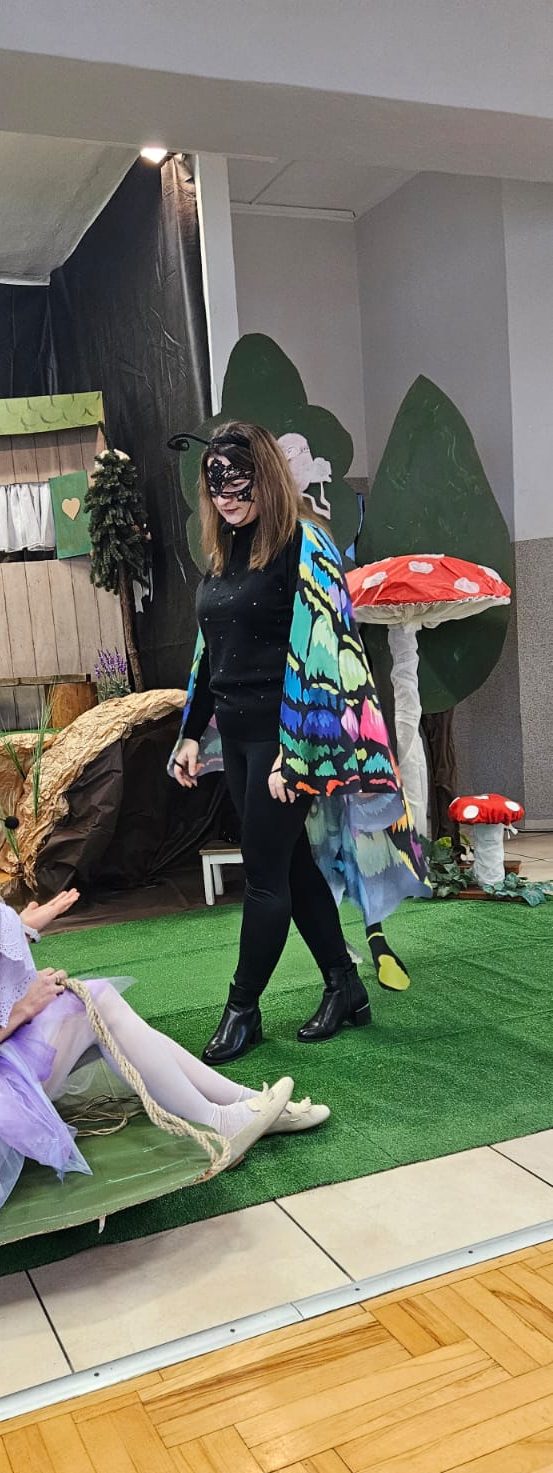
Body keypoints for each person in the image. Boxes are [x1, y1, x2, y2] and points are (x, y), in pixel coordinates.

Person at [0, 750, 330, 1264]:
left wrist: (20, 928)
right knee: (94, 1003)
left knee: (99, 1005)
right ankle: (220, 1119)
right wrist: (22, 1007)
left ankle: (242, 1104)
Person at [170, 422, 429, 1066]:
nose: (227, 496)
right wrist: (190, 735)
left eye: (239, 481)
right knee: (289, 865)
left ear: (265, 477)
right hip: (238, 738)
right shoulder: (224, 553)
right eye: (216, 484)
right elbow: (212, 652)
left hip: (286, 742)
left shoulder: (303, 545)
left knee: (263, 877)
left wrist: (297, 753)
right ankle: (344, 984)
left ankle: (242, 1009)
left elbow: (329, 654)